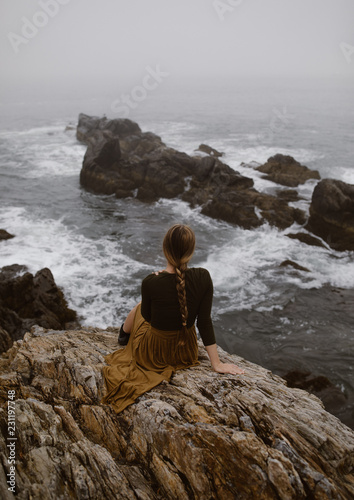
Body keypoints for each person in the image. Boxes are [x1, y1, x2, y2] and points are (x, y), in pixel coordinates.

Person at [101, 224, 245, 414]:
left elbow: (148, 317)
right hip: (186, 351)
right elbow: (204, 322)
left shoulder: (151, 281)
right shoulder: (204, 276)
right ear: (191, 250)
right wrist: (216, 364)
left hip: (154, 355)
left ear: (165, 248)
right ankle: (124, 333)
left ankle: (123, 334)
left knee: (139, 306)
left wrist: (156, 286)